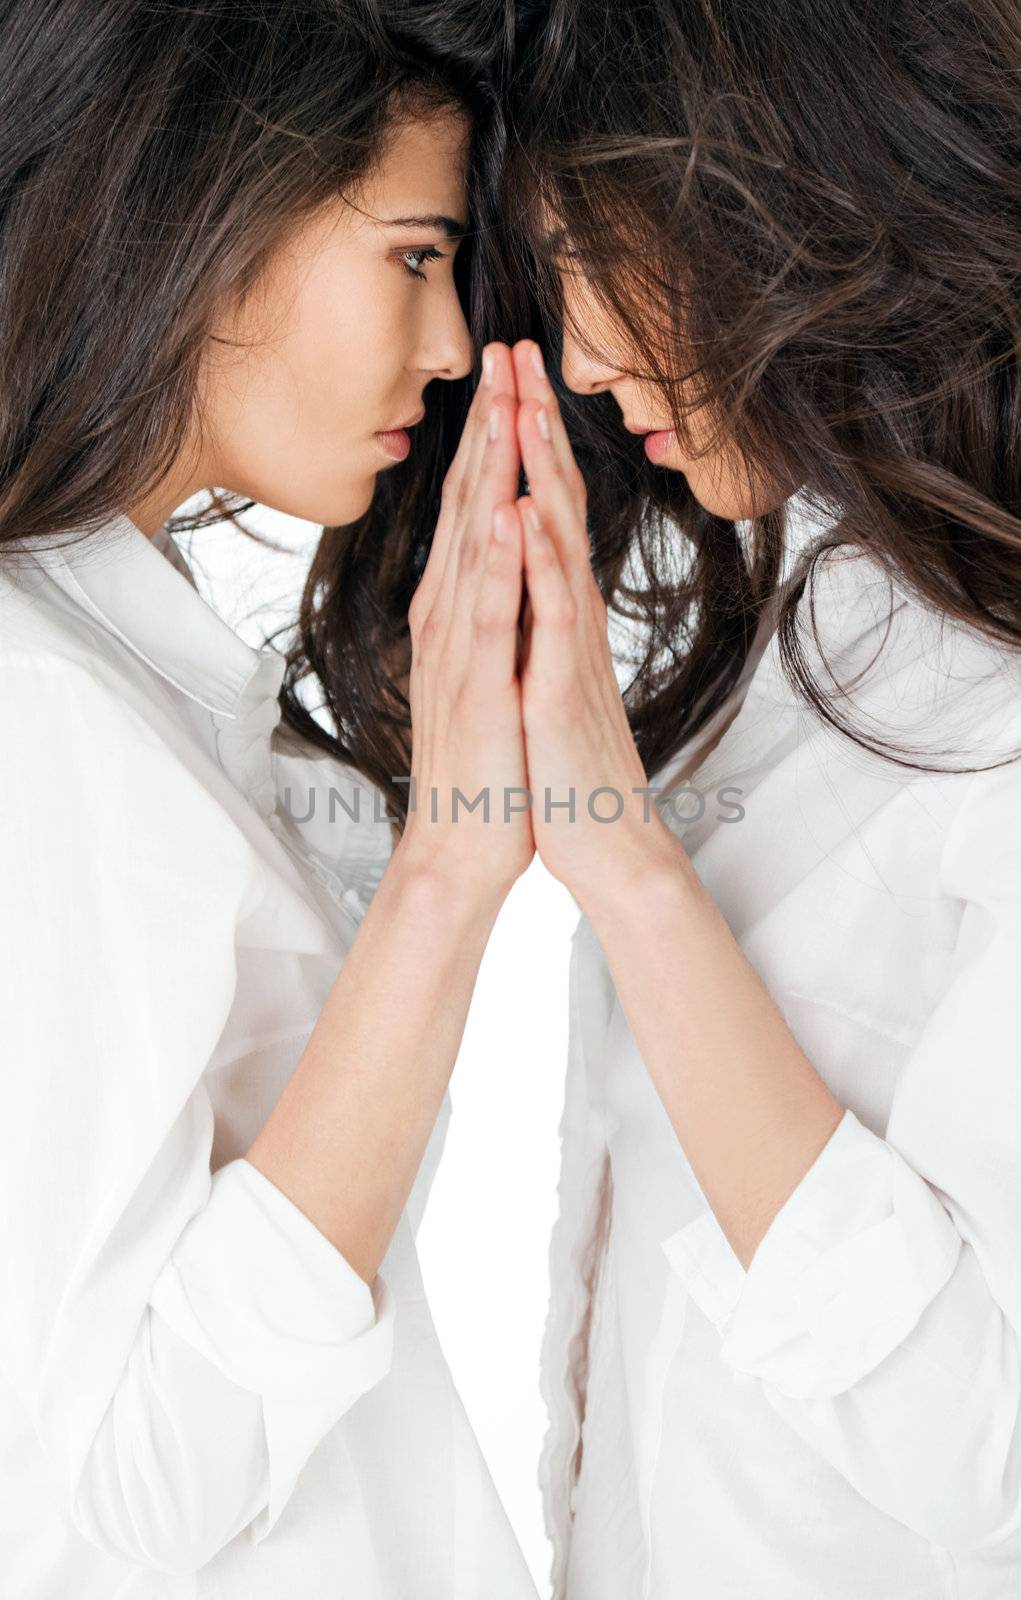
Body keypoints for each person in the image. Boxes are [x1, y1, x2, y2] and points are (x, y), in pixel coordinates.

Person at [0, 3, 540, 1595]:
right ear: (207, 213)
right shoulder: (39, 717)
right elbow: (84, 1519)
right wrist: (444, 886)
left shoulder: (131, 682)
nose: (451, 349)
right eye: (415, 257)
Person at [493, 1, 1021, 1595]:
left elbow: (987, 1455)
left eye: (601, 250)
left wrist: (631, 879)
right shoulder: (774, 607)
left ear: (780, 199)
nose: (580, 354)